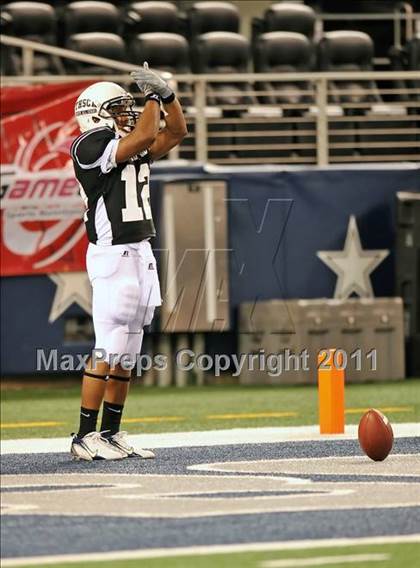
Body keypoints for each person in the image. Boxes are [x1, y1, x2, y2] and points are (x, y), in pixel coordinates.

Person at [69, 64, 187, 460]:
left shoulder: (126, 142)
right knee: (108, 346)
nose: (128, 112)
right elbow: (146, 134)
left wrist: (167, 97)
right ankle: (84, 435)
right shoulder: (87, 146)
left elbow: (175, 132)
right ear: (96, 112)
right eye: (119, 107)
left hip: (140, 252)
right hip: (111, 254)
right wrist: (154, 95)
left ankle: (111, 432)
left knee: (128, 351)